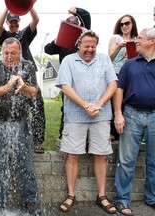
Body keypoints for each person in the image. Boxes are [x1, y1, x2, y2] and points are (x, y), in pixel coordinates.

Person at [55, 30, 117, 214]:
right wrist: (86, 106)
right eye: (86, 45)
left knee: (101, 155)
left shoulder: (105, 60)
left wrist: (98, 104)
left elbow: (113, 84)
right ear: (79, 45)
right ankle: (71, 195)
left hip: (101, 114)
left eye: (93, 46)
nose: (90, 49)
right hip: (75, 116)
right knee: (73, 155)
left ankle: (102, 196)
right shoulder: (68, 61)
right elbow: (65, 87)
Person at [0, 37, 41, 216]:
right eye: (6, 53)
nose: (9, 56)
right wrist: (6, 87)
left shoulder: (29, 66)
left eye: (13, 53)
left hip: (21, 124)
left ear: (20, 52)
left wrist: (24, 87)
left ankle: (29, 201)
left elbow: (35, 93)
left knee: (26, 164)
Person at [113, 27, 155, 216]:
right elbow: (119, 90)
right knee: (126, 160)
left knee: (154, 161)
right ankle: (122, 199)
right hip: (131, 114)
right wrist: (118, 114)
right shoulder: (129, 65)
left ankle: (152, 198)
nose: (135, 40)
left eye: (140, 38)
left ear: (152, 41)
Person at [0, 2, 46, 154]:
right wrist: (8, 4)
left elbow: (36, 20)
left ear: (19, 22)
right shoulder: (5, 37)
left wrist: (28, 5)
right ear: (8, 23)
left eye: (15, 22)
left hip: (27, 73)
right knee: (7, 105)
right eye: (10, 22)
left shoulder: (24, 34)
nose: (13, 25)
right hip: (9, 75)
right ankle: (6, 139)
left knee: (37, 103)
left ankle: (37, 141)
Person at [44, 7, 91, 139]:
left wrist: (76, 10)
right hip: (67, 81)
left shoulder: (83, 39)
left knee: (84, 106)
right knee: (67, 107)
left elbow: (86, 16)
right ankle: (64, 134)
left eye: (74, 25)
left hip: (83, 78)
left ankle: (85, 136)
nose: (72, 27)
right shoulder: (62, 42)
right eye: (69, 25)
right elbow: (47, 49)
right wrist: (58, 38)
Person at [108, 14, 138, 142]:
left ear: (132, 25)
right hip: (115, 73)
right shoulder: (115, 38)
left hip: (131, 74)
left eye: (127, 23)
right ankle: (112, 132)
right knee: (113, 102)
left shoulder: (137, 39)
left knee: (127, 102)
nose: (124, 26)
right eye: (122, 24)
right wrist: (119, 46)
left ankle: (125, 131)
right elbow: (109, 58)